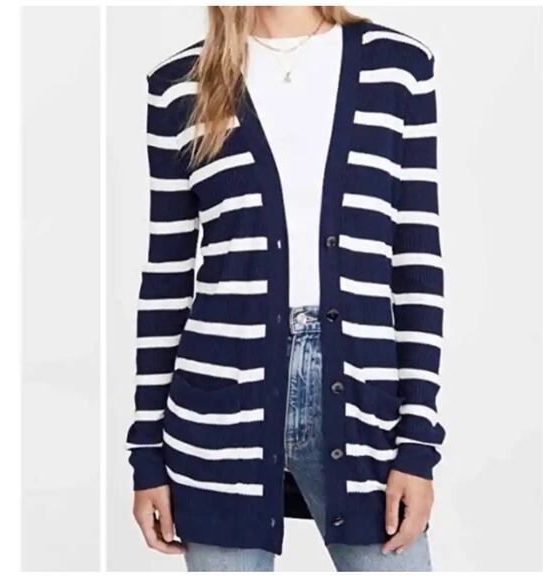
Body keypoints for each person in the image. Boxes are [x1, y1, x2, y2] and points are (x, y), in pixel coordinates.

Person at [126, 5, 445, 572]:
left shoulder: (398, 67)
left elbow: (416, 262)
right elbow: (166, 278)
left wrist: (418, 440)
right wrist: (147, 451)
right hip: (218, 412)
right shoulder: (179, 84)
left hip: (363, 404)